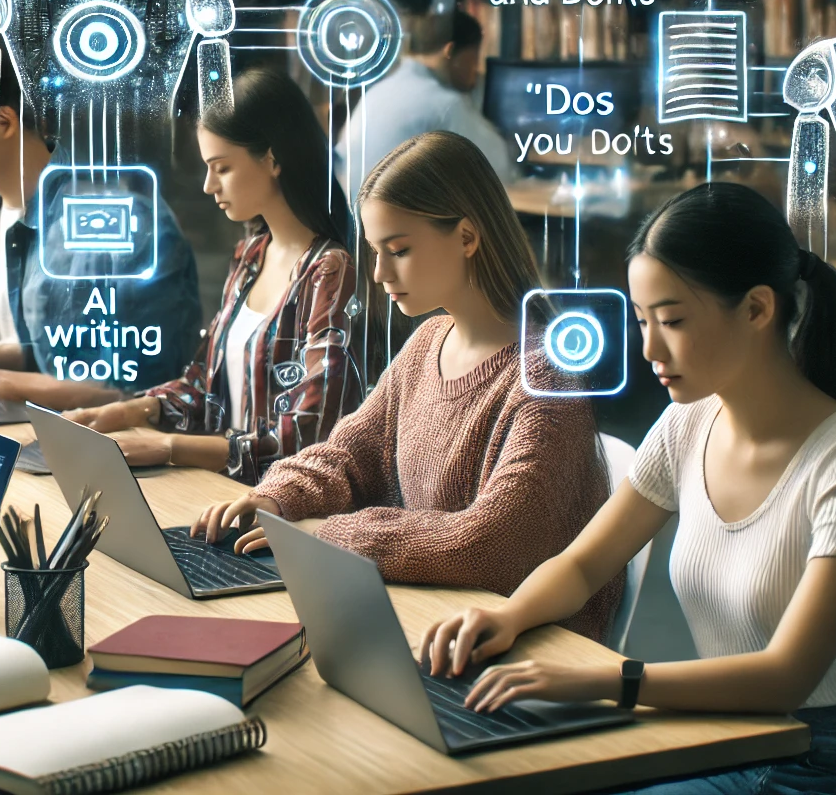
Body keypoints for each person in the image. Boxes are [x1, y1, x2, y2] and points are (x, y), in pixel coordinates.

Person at [420, 182, 836, 795]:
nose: (648, 348)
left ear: (756, 309)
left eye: (672, 320)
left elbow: (787, 677)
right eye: (642, 320)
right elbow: (585, 565)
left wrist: (606, 682)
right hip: (727, 732)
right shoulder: (688, 422)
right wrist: (509, 616)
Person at [197, 131, 619, 639]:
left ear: (466, 237)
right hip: (429, 616)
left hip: (526, 651)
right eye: (375, 251)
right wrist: (279, 497)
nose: (378, 273)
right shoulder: (427, 343)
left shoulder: (547, 382)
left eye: (397, 250)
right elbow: (349, 455)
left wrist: (332, 536)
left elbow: (492, 547)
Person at [65, 67, 360, 482]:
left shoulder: (329, 272)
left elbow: (308, 436)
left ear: (272, 159)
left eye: (221, 168)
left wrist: (170, 447)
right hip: (219, 495)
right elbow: (204, 386)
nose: (208, 185)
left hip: (277, 515)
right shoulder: (251, 254)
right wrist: (132, 410)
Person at [0, 31, 202, 409]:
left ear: (5, 121)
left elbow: (145, 388)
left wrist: (12, 385)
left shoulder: (122, 224)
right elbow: (52, 349)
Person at [331, 8, 515, 201]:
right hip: (405, 223)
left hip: (359, 221)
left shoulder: (376, 92)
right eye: (474, 59)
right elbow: (497, 168)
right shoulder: (444, 102)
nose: (475, 71)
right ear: (449, 51)